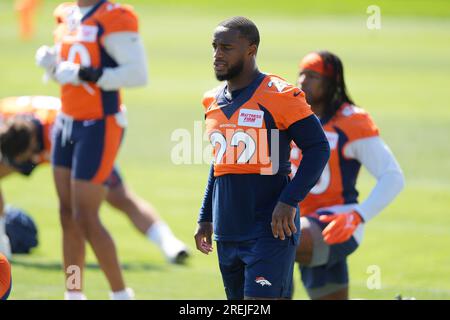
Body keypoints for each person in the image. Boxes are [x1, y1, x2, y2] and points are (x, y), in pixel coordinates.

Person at [194, 17, 330, 300]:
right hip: (227, 229)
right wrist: (206, 215)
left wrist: (289, 200)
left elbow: (318, 148)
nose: (217, 54)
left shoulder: (279, 94)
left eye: (227, 47)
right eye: (215, 47)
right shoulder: (212, 100)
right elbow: (220, 163)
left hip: (270, 230)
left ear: (250, 50)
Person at [35, 0, 149, 299]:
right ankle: (74, 293)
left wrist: (87, 73)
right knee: (66, 213)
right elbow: (69, 67)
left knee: (86, 215)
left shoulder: (115, 16)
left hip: (100, 123)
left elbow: (137, 74)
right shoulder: (66, 13)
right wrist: (53, 65)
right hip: (66, 120)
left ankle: (120, 294)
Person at [0, 96, 189, 265]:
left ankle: (169, 244)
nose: (32, 161)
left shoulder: (59, 130)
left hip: (82, 141)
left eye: (29, 156)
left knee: (117, 197)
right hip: (25, 139)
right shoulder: (6, 122)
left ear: (33, 145)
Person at [291, 51, 405, 300]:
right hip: (299, 219)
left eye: (312, 76)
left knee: (274, 240)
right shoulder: (293, 115)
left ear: (331, 82)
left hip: (338, 222)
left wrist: (358, 216)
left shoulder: (352, 121)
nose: (302, 81)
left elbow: (393, 176)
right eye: (301, 74)